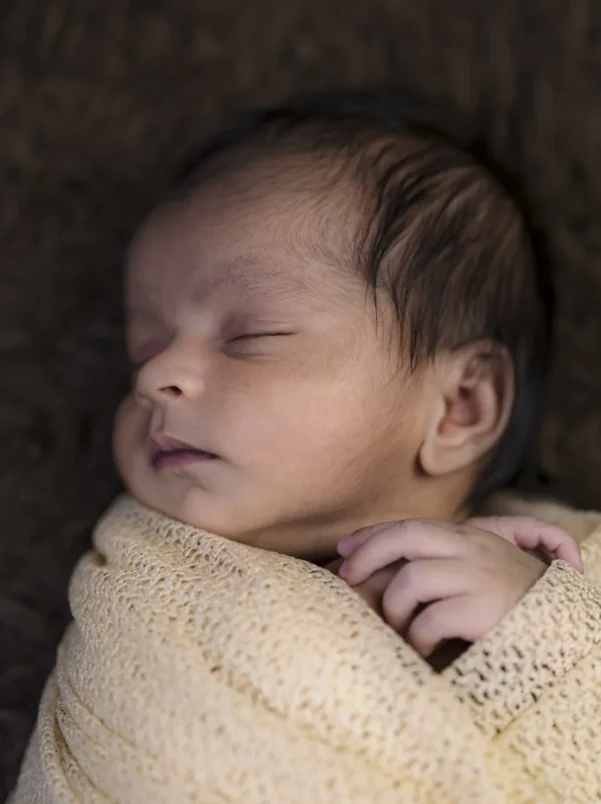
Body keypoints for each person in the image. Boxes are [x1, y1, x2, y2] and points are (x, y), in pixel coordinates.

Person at [12, 88, 601, 803]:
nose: (155, 376)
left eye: (249, 337)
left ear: (459, 407)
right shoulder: (142, 583)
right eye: (146, 347)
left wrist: (545, 636)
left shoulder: (563, 572)